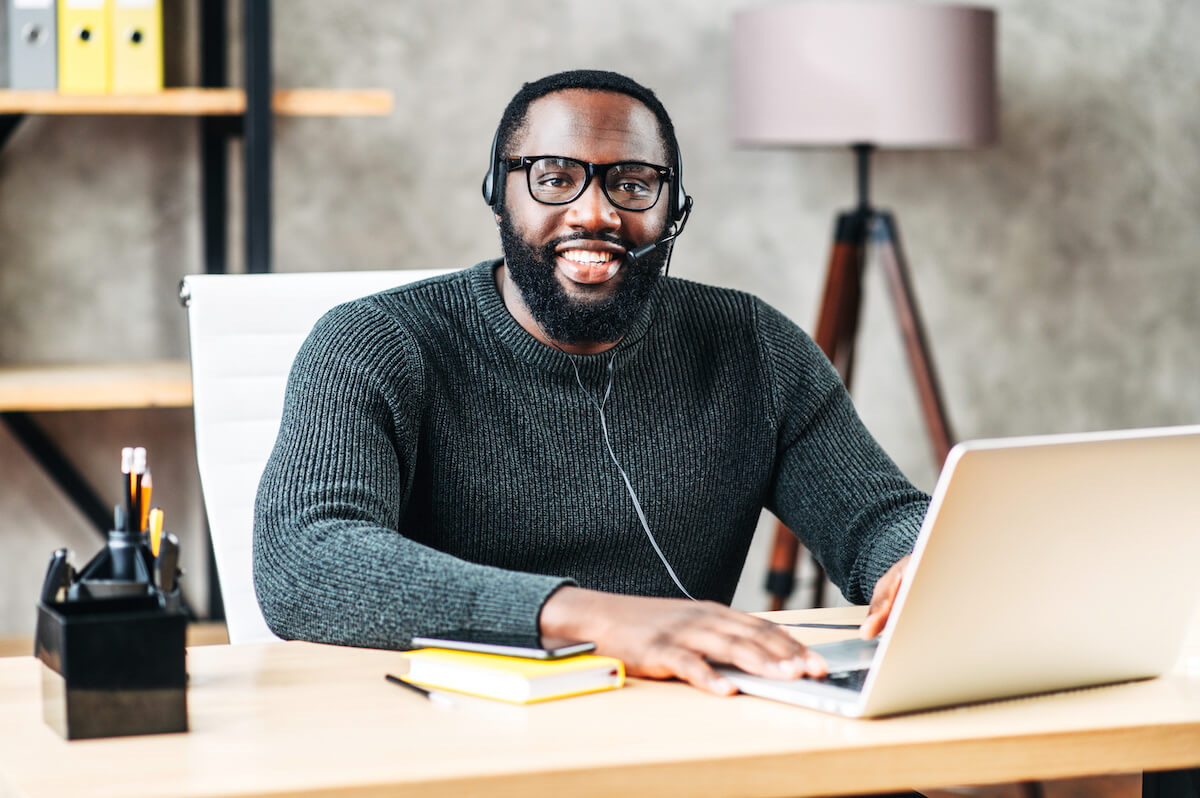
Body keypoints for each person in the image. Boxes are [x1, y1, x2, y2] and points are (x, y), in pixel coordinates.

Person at [254, 69, 929, 696]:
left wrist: (918, 563)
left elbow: (877, 518)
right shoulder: (374, 342)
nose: (595, 213)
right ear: (499, 196)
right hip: (466, 735)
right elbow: (306, 559)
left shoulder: (750, 345)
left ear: (674, 212)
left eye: (633, 184)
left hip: (691, 724)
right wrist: (591, 620)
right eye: (553, 178)